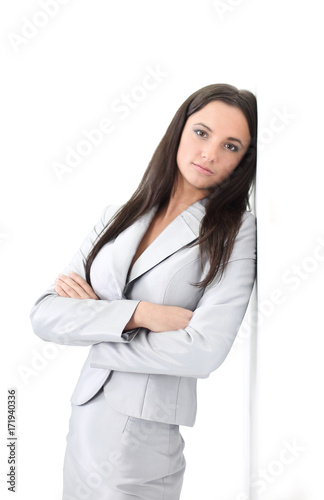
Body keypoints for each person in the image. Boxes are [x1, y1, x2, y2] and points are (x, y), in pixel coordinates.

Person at [30, 83, 257, 500]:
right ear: (180, 131)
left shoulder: (235, 231)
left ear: (244, 160)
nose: (209, 153)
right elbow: (44, 314)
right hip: (83, 423)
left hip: (142, 444)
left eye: (231, 146)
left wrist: (96, 326)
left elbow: (204, 349)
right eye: (202, 133)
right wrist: (140, 315)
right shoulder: (118, 216)